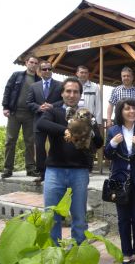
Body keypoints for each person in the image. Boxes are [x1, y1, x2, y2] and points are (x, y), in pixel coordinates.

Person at [36, 77, 103, 245]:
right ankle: (54, 254)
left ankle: (78, 253)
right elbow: (41, 124)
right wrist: (68, 130)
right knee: (52, 216)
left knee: (79, 216)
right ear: (62, 93)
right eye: (68, 91)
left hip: (79, 171)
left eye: (75, 91)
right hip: (54, 171)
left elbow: (99, 142)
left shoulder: (87, 115)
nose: (72, 95)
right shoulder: (54, 112)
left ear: (80, 95)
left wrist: (88, 130)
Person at [104, 98, 135, 264]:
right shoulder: (113, 130)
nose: (132, 111)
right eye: (127, 108)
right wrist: (113, 143)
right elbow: (108, 154)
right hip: (119, 180)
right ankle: (126, 252)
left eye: (134, 108)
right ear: (120, 112)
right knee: (123, 218)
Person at [1, 54, 41, 178]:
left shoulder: (38, 80)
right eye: (31, 62)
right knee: (10, 141)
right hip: (14, 112)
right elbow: (8, 90)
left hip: (30, 114)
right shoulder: (16, 75)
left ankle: (30, 168)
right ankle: (7, 169)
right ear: (26, 63)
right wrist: (5, 107)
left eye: (35, 63)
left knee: (30, 141)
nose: (33, 65)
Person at [27, 61, 63, 182]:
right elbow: (29, 103)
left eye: (49, 69)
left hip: (54, 121)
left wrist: (52, 106)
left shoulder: (59, 85)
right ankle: (42, 173)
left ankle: (56, 170)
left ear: (52, 70)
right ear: (40, 71)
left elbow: (63, 101)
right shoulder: (33, 86)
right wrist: (38, 107)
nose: (47, 71)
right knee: (40, 147)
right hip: (39, 121)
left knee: (55, 146)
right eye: (44, 69)